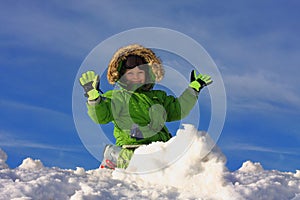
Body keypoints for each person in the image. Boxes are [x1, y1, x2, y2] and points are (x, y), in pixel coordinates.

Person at [79, 44, 212, 169]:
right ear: (121, 76)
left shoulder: (158, 97)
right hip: (132, 146)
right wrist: (94, 99)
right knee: (146, 163)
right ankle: (116, 157)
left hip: (160, 147)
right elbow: (101, 116)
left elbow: (178, 109)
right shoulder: (116, 97)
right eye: (130, 74)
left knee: (188, 156)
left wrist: (193, 90)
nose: (135, 77)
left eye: (140, 73)